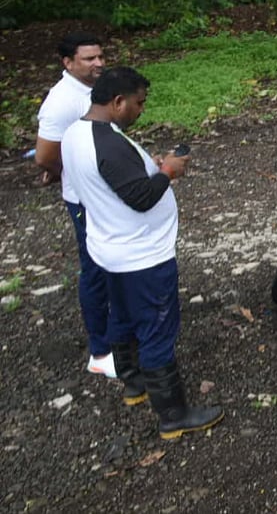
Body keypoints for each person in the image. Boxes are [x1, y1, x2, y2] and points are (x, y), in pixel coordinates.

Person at [60, 67, 223, 439]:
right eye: (139, 103)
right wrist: (168, 171)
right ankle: (173, 415)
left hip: (109, 248)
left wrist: (148, 166)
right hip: (142, 256)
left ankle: (133, 383)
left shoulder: (77, 133)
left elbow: (113, 180)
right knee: (156, 329)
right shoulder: (109, 145)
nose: (141, 110)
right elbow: (141, 197)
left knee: (122, 318)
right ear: (118, 102)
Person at [34, 32, 113, 378]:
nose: (98, 63)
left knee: (111, 265)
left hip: (105, 196)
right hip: (84, 200)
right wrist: (62, 172)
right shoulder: (61, 101)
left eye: (100, 56)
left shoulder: (93, 90)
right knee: (95, 269)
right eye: (89, 59)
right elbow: (45, 156)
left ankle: (119, 333)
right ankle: (101, 350)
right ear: (67, 62)